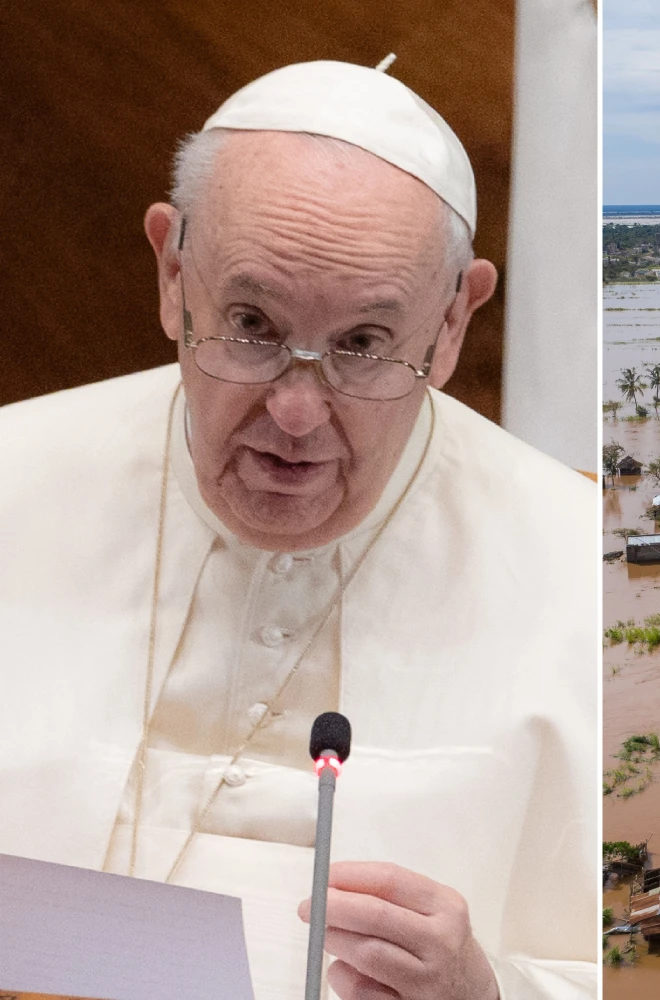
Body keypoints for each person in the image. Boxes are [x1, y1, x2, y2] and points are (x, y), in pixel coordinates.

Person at [0, 60, 595, 1000]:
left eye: (363, 345)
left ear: (450, 324)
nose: (297, 410)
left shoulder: (583, 571)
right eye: (252, 323)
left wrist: (488, 993)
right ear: (170, 274)